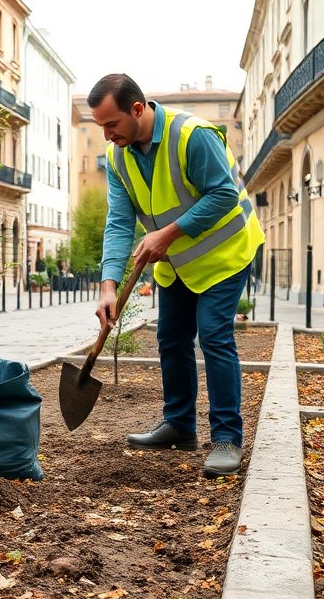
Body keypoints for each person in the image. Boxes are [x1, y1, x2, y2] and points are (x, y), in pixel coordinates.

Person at [87, 74, 264, 477]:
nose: (107, 135)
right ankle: (181, 426)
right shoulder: (118, 156)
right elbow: (119, 222)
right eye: (101, 126)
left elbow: (223, 195)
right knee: (171, 338)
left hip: (225, 252)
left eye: (111, 124)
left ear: (137, 109)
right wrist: (108, 285)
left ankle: (227, 438)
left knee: (214, 336)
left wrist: (166, 235)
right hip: (177, 262)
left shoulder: (192, 136)